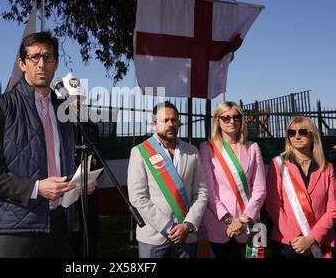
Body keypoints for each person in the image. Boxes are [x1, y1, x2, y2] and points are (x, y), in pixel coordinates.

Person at [0, 31, 77, 258]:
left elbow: (60, 162)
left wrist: (77, 183)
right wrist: (36, 189)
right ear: (22, 64)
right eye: (34, 57)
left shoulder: (64, 111)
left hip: (58, 225)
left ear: (56, 63)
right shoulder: (0, 107)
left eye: (48, 57)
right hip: (13, 231)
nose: (41, 64)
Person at [127, 101, 208, 258]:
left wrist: (188, 224)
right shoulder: (140, 152)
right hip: (154, 237)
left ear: (179, 123)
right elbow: (138, 197)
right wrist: (168, 227)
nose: (170, 124)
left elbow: (201, 192)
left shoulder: (192, 151)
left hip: (187, 234)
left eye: (174, 120)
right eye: (165, 120)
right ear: (154, 124)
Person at [198, 101, 266, 258]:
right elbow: (208, 190)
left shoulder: (253, 148)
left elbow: (260, 188)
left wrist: (243, 219)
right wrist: (229, 220)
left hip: (249, 223)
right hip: (218, 224)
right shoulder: (207, 148)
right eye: (226, 117)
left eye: (236, 117)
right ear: (217, 121)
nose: (232, 121)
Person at [265, 116, 335, 258]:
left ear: (312, 135)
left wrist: (311, 238)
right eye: (292, 132)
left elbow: (333, 209)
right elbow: (273, 205)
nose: (297, 136)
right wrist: (296, 238)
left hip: (320, 242)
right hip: (288, 243)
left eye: (302, 132)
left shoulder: (327, 168)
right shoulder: (278, 164)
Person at [55, 72, 101, 258]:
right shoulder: (54, 124)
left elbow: (99, 159)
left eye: (80, 98)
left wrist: (93, 179)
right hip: (59, 195)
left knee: (85, 245)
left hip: (86, 197)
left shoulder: (90, 126)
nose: (77, 102)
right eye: (73, 98)